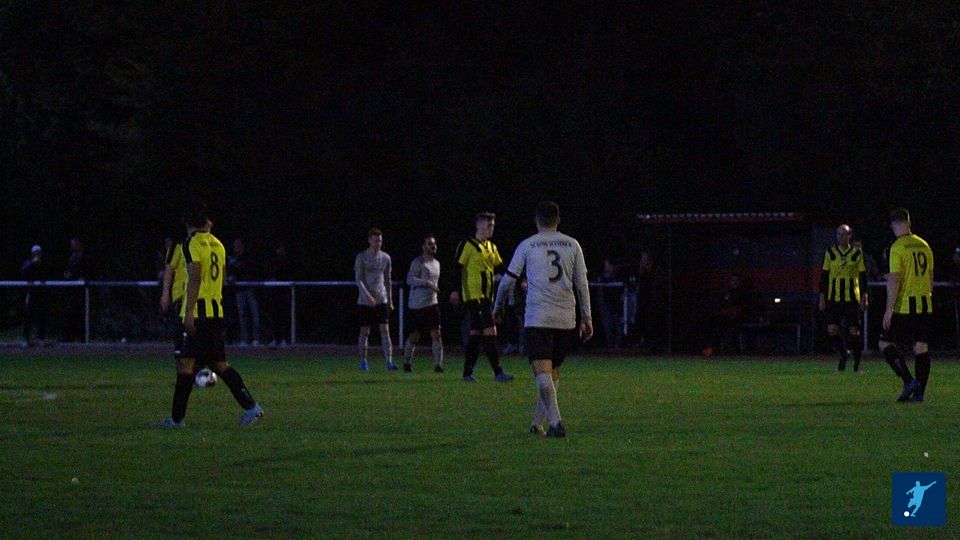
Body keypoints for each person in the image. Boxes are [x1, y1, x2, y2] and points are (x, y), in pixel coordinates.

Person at [155, 203, 263, 428]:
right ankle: (252, 408)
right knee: (220, 364)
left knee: (185, 365)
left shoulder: (190, 243)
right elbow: (221, 279)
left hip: (197, 312)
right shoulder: (219, 244)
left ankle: (177, 420)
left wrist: (188, 312)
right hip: (215, 311)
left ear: (188, 223)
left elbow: (194, 276)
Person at [494, 201, 592, 437]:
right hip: (565, 318)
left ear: (536, 220)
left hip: (538, 316)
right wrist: (587, 317)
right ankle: (538, 423)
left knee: (542, 373)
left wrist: (498, 307)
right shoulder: (572, 244)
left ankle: (556, 424)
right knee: (552, 372)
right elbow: (582, 283)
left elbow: (507, 281)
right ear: (558, 220)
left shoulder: (528, 244)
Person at [450, 212, 514, 382]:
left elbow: (500, 267)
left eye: (493, 225)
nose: (492, 228)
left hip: (487, 297)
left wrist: (517, 277)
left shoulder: (491, 247)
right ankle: (498, 372)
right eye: (489, 225)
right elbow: (457, 268)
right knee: (490, 330)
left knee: (476, 334)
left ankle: (467, 373)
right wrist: (455, 290)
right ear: (478, 225)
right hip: (474, 297)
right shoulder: (467, 244)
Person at [879, 208, 934, 403]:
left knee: (885, 344)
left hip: (905, 305)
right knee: (921, 347)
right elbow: (930, 277)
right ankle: (919, 394)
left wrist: (889, 309)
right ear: (909, 222)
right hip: (925, 303)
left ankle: (909, 381)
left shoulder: (897, 247)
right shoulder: (924, 245)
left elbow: (895, 279)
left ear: (893, 225)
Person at [818, 224, 868, 371]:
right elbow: (824, 276)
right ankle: (843, 353)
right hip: (834, 298)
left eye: (844, 234)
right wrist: (822, 296)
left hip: (851, 298)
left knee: (854, 331)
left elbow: (863, 276)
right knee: (832, 330)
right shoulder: (830, 253)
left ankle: (857, 364)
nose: (841, 237)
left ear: (849, 235)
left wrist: (864, 296)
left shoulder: (856, 254)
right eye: (838, 234)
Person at [355, 228, 396, 371]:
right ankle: (363, 361)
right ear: (369, 241)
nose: (378, 244)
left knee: (385, 330)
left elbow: (388, 279)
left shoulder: (386, 258)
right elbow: (359, 279)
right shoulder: (362, 257)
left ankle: (389, 362)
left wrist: (390, 299)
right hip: (365, 301)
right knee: (365, 331)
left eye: (380, 241)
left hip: (381, 299)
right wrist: (368, 295)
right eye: (375, 241)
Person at [402, 234, 443, 372]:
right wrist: (426, 283)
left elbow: (435, 283)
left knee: (436, 333)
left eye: (434, 244)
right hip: (417, 305)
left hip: (432, 303)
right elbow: (409, 279)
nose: (433, 246)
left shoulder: (437, 264)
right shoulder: (418, 262)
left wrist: (435, 288)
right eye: (430, 244)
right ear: (423, 247)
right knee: (414, 336)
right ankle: (407, 362)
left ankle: (438, 365)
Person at [228, 238, 261, 346]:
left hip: (250, 289)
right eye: (235, 245)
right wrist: (231, 277)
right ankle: (245, 339)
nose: (236, 247)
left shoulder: (248, 257)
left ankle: (256, 339)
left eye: (238, 245)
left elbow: (250, 271)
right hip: (239, 290)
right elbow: (232, 273)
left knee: (255, 315)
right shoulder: (233, 259)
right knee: (242, 316)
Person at [61, 237, 89, 342]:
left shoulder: (84, 257)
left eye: (74, 244)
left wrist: (82, 277)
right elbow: (69, 270)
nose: (72, 246)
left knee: (78, 313)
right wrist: (67, 274)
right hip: (72, 289)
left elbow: (86, 270)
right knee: (70, 312)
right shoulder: (71, 257)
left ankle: (81, 337)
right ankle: (69, 337)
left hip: (80, 290)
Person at [21, 245, 47, 346]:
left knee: (41, 316)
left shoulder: (44, 264)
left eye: (38, 252)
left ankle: (41, 338)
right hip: (31, 293)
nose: (37, 254)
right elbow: (24, 272)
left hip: (41, 293)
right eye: (35, 252)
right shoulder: (27, 263)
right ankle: (25, 339)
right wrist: (33, 264)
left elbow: (47, 274)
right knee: (28, 316)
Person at [596, 258, 623, 350]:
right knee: (608, 325)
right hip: (607, 304)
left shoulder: (618, 275)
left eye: (607, 265)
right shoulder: (602, 277)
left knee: (617, 325)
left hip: (616, 305)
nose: (606, 267)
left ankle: (617, 345)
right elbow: (600, 292)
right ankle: (609, 344)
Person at [268, 244, 291, 347]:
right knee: (274, 317)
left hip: (284, 293)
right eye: (278, 249)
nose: (280, 251)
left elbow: (287, 275)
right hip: (275, 294)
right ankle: (275, 339)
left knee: (284, 317)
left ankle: (285, 339)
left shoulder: (287, 263)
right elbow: (270, 275)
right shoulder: (273, 263)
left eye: (282, 250)